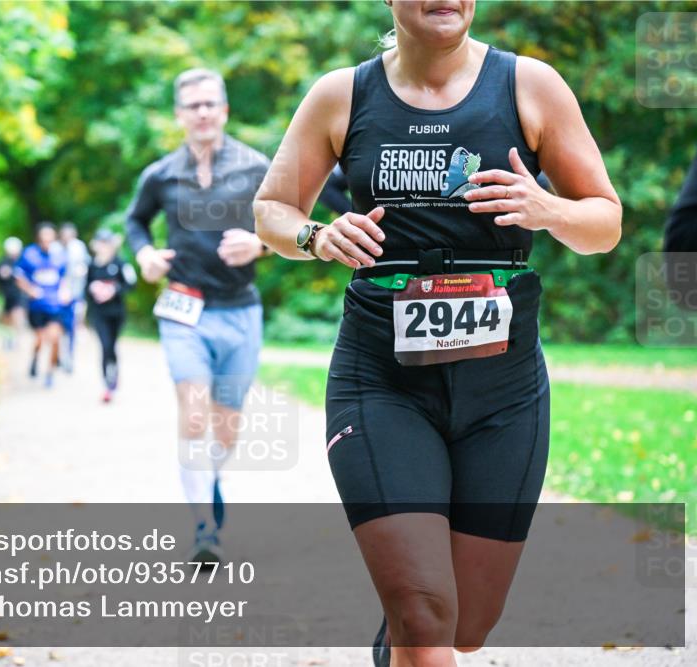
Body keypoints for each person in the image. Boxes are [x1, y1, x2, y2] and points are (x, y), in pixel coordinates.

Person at [253, 2, 621, 665]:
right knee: (426, 615)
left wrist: (548, 208)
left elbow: (604, 220)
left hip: (502, 386)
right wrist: (316, 235)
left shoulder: (528, 85)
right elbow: (271, 209)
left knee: (464, 625)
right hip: (382, 377)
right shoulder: (342, 94)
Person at [125, 67, 272, 563]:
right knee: (192, 414)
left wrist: (260, 244)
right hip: (183, 310)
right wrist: (145, 255)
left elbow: (288, 222)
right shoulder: (161, 174)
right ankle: (206, 529)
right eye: (194, 105)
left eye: (211, 103)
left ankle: (209, 480)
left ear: (225, 110)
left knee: (226, 427)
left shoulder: (257, 167)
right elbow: (136, 223)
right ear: (179, 115)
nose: (203, 112)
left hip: (240, 311)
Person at [15, 223, 70, 388]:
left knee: (54, 338)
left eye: (50, 236)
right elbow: (18, 275)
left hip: (55, 305)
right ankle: (35, 358)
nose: (47, 240)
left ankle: (49, 373)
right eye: (44, 236)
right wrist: (30, 290)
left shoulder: (60, 254)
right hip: (37, 305)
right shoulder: (29, 254)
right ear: (39, 238)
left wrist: (64, 291)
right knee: (39, 339)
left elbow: (64, 277)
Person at [86, 229, 136, 403]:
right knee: (105, 345)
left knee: (112, 346)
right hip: (98, 314)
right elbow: (84, 288)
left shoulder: (120, 263)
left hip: (116, 313)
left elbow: (131, 284)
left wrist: (113, 290)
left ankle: (114, 371)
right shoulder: (91, 265)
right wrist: (94, 289)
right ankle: (107, 385)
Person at [58, 222, 91, 372]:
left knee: (72, 325)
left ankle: (69, 356)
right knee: (58, 327)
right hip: (57, 295)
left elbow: (85, 266)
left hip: (75, 293)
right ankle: (58, 355)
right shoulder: (56, 248)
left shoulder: (79, 248)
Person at [0, 236, 24, 349]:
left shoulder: (20, 262)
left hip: (17, 295)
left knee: (17, 317)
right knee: (8, 319)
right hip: (7, 295)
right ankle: (9, 339)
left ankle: (15, 341)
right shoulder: (4, 262)